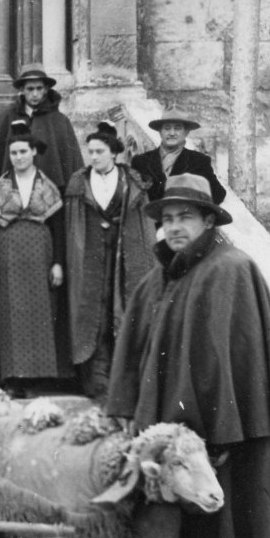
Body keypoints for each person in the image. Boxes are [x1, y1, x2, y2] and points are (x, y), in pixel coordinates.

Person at [100, 174, 270, 538]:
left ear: (209, 220)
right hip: (163, 430)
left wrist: (219, 430)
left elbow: (240, 355)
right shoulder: (159, 277)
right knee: (151, 508)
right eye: (167, 219)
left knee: (218, 515)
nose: (174, 227)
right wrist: (131, 411)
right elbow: (135, 350)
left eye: (185, 217)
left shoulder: (231, 269)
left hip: (221, 427)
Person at [61, 122, 155, 400]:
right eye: (90, 152)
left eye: (99, 152)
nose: (93, 157)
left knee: (123, 312)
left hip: (123, 257)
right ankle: (97, 385)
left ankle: (124, 383)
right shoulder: (79, 183)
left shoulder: (132, 182)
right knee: (94, 317)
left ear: (114, 153)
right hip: (90, 260)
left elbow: (144, 226)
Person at [0, 127, 69, 396]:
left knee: (40, 312)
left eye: (23, 152)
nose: (18, 157)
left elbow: (58, 227)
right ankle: (13, 377)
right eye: (13, 153)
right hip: (8, 255)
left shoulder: (47, 185)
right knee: (10, 313)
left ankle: (39, 379)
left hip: (40, 254)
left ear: (33, 153)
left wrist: (57, 263)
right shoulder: (0, 186)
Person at [0, 64, 84, 192]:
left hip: (49, 198)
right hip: (11, 196)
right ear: (22, 90)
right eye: (30, 89)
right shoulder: (5, 119)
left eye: (39, 88)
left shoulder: (60, 122)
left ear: (46, 89)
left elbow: (72, 166)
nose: (35, 94)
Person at [130, 108, 226, 204]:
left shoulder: (199, 161)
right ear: (160, 131)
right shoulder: (140, 161)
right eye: (167, 128)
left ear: (186, 132)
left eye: (177, 128)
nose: (172, 133)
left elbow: (218, 195)